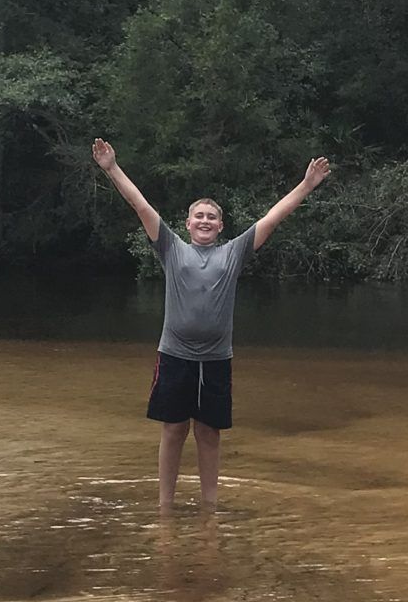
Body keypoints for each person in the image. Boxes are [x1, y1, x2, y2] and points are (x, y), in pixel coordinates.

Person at [91, 139, 332, 510]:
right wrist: (111, 168)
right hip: (174, 354)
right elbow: (139, 204)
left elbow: (273, 217)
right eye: (198, 216)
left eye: (211, 217)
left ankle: (210, 508)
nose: (205, 221)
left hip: (216, 359)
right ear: (187, 223)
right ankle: (165, 507)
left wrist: (306, 185)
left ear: (220, 226)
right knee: (173, 430)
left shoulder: (233, 253)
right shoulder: (171, 247)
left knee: (209, 432)